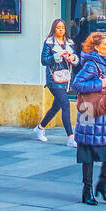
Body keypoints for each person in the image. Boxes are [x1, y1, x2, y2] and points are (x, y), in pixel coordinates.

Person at [73, 31, 106, 205]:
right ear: (96, 47)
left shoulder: (104, 62)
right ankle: (87, 190)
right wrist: (99, 84)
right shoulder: (92, 64)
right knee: (88, 152)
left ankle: (103, 184)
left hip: (105, 112)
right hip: (90, 113)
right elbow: (77, 84)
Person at [34, 19, 78, 147]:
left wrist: (72, 57)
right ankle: (70, 137)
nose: (61, 29)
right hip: (54, 79)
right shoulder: (49, 43)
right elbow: (44, 60)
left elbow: (76, 58)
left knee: (56, 107)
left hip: (66, 78)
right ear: (54, 29)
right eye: (58, 27)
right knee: (65, 104)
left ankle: (40, 128)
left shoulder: (69, 43)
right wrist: (58, 56)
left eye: (63, 27)